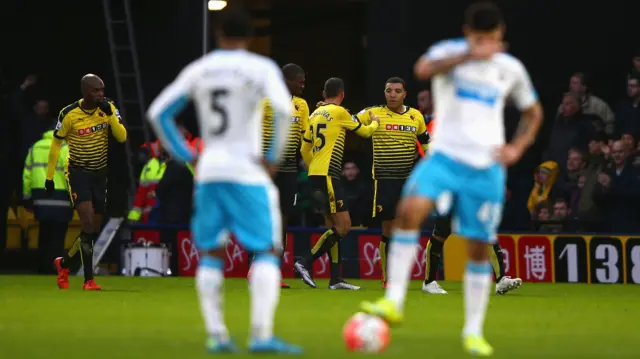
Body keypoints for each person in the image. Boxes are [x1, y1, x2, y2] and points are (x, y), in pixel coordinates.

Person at [360, 2, 543, 356]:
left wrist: (518, 147)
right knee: (409, 213)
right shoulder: (449, 53)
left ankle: (473, 331)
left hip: (485, 165)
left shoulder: (509, 68)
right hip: (443, 156)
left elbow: (533, 112)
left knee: (478, 244)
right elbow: (422, 68)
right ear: (467, 34)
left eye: (491, 38)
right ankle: (393, 301)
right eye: (479, 38)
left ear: (500, 36)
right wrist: (466, 55)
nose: (486, 44)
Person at [146, 6, 301, 354]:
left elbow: (159, 114)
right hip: (248, 171)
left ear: (218, 34)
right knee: (265, 250)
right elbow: (284, 111)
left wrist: (186, 154)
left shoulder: (200, 70)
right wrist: (273, 159)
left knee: (212, 252)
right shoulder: (260, 68)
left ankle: (217, 335)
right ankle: (261, 335)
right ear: (250, 37)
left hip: (210, 170)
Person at [293, 77, 380, 290]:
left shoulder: (315, 114)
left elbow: (304, 149)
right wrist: (375, 120)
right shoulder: (340, 112)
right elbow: (366, 131)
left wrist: (314, 164)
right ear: (341, 95)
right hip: (329, 175)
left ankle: (335, 278)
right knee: (344, 226)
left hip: (315, 175)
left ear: (324, 94)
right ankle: (305, 261)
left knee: (331, 226)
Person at [47, 74, 127, 290]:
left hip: (100, 174)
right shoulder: (69, 113)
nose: (100, 94)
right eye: (95, 91)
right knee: (88, 223)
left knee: (92, 230)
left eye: (101, 90)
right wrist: (49, 176)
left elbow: (122, 137)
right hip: (78, 173)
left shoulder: (109, 108)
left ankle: (63, 264)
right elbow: (56, 145)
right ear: (85, 92)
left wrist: (111, 117)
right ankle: (88, 280)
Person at [354, 77, 429, 288]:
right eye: (389, 91)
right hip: (384, 180)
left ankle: (401, 273)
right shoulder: (373, 113)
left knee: (406, 227)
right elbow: (347, 121)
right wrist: (330, 109)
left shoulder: (416, 116)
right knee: (387, 228)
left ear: (405, 94)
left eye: (397, 91)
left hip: (408, 181)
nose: (392, 95)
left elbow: (426, 144)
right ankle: (387, 279)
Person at [257, 63, 309, 289]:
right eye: (299, 80)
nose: (303, 85)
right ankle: (257, 268)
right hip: (266, 169)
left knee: (283, 219)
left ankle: (274, 272)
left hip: (289, 170)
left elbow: (306, 136)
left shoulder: (302, 105)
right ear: (286, 80)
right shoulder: (264, 100)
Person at [424, 214, 522, 295]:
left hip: (470, 197)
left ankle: (501, 280)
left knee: (486, 232)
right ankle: (429, 282)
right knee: (439, 235)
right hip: (451, 196)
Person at [23, 127, 73, 274]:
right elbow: (70, 174)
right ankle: (55, 267)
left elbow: (27, 174)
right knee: (58, 235)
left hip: (40, 196)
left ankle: (42, 267)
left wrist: (27, 197)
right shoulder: (65, 148)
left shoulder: (35, 148)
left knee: (44, 233)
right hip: (62, 197)